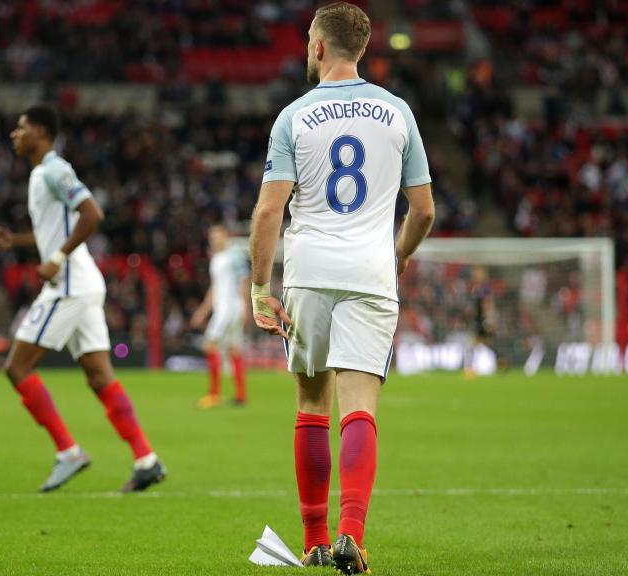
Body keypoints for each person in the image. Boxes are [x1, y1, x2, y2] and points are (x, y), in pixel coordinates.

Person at [248, 3, 435, 573]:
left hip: (309, 274)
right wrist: (398, 254)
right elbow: (423, 210)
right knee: (361, 410)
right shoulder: (397, 112)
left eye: (309, 40)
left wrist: (260, 287)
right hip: (371, 275)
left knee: (311, 407)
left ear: (321, 47)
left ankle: (314, 542)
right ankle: (353, 532)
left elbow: (266, 213)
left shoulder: (294, 117)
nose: (307, 49)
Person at [0, 105, 166, 493]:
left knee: (16, 367)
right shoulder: (41, 175)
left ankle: (68, 452)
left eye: (21, 128)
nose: (14, 135)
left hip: (69, 285)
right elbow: (58, 229)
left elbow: (91, 213)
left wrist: (56, 258)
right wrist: (16, 241)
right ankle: (146, 460)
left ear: (39, 131)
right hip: (83, 282)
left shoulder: (54, 169)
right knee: (99, 375)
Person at [190, 224, 250, 408]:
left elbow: (244, 281)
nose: (214, 239)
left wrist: (246, 308)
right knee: (233, 349)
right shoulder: (216, 258)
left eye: (217, 235)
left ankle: (214, 395)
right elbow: (215, 289)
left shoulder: (235, 255)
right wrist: (203, 310)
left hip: (230, 308)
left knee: (210, 345)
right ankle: (241, 395)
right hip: (223, 308)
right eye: (211, 236)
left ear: (226, 235)